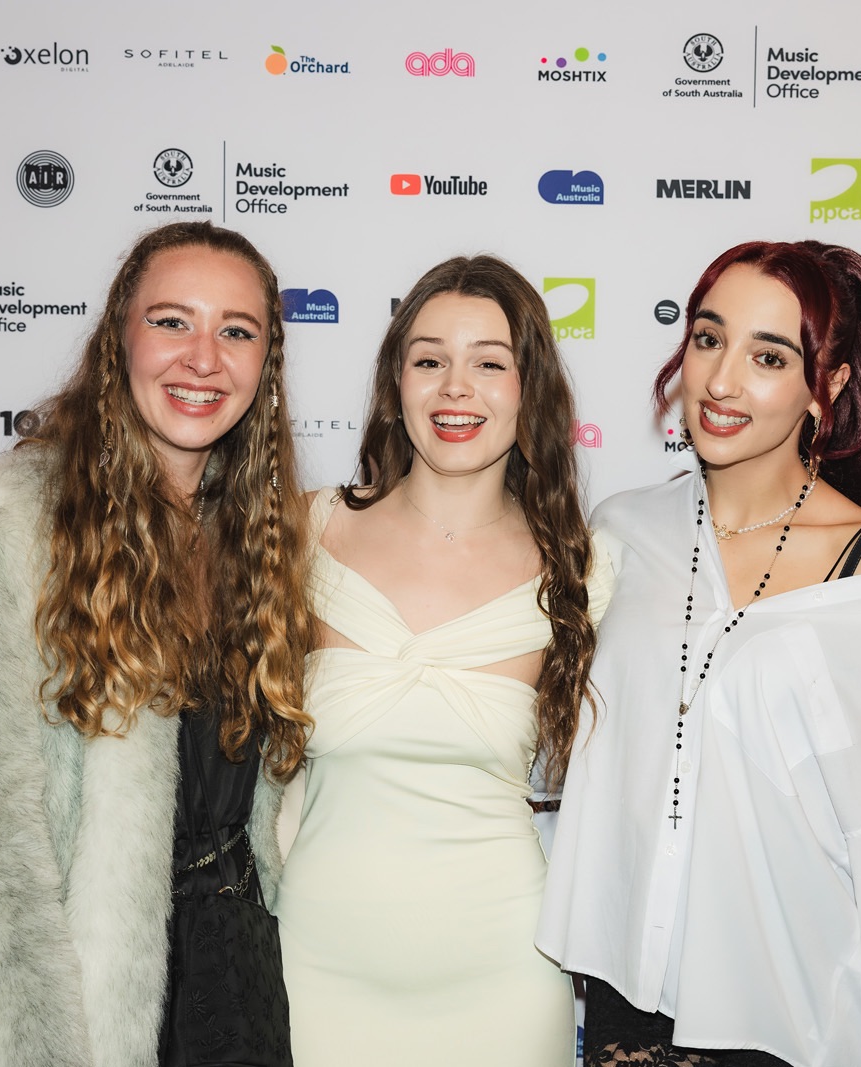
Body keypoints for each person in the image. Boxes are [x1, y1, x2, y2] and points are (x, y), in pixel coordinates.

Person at [537, 240, 861, 1067]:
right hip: (632, 995)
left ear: (827, 386)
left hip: (792, 1010)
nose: (721, 380)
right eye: (709, 339)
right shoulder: (623, 530)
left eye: (768, 356)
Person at [0, 222, 313, 1067]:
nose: (204, 358)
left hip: (239, 980)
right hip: (91, 998)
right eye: (172, 321)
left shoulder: (261, 536)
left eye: (236, 331)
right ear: (119, 337)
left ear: (265, 364)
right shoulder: (3, 524)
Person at [264, 255, 612, 1067]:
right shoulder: (305, 534)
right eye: (430, 361)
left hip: (504, 979)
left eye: (489, 363)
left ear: (529, 389)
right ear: (397, 384)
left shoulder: (585, 573)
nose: (457, 388)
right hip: (316, 970)